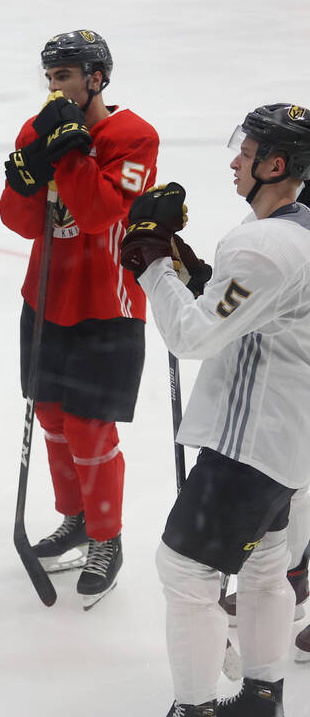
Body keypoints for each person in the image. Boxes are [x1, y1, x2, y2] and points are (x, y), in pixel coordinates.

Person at [119, 104, 310, 716]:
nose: (234, 160)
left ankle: (194, 709)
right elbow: (253, 312)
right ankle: (262, 700)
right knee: (266, 568)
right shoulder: (299, 230)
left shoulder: (261, 243)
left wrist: (151, 264)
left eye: (248, 152)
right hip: (289, 445)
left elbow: (195, 337)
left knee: (185, 571)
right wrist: (192, 268)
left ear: (276, 164)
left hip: (249, 445)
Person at [0, 30, 159, 608]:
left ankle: (106, 537)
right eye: (50, 78)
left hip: (107, 306)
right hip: (45, 299)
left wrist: (66, 153)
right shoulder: (38, 127)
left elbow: (95, 214)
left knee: (90, 426)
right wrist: (26, 174)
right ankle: (76, 518)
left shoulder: (134, 136)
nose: (54, 90)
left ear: (96, 78)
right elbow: (19, 220)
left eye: (64, 77)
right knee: (51, 417)